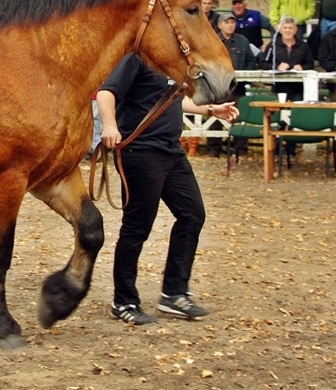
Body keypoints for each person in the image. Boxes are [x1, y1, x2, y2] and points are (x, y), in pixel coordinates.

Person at [97, 55, 238, 325]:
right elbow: (106, 93)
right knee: (137, 228)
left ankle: (174, 293)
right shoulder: (136, 59)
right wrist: (110, 125)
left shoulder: (172, 62)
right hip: (141, 152)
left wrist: (211, 110)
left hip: (172, 151)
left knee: (192, 215)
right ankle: (123, 300)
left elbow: (174, 99)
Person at [262, 16, 315, 161]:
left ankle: (291, 149)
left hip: (297, 88)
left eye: (290, 28)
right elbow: (263, 63)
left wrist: (302, 67)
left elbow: (311, 64)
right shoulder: (273, 45)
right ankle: (277, 149)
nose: (287, 30)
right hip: (279, 87)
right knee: (278, 119)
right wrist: (276, 67)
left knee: (293, 118)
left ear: (296, 30)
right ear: (280, 29)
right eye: (285, 28)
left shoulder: (303, 46)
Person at [206, 13, 257, 157]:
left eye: (232, 22)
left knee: (239, 117)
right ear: (220, 25)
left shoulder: (242, 41)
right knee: (214, 117)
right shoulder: (212, 40)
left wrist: (243, 75)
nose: (229, 25)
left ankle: (241, 149)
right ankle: (213, 148)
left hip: (237, 88)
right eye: (226, 22)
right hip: (217, 88)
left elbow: (251, 61)